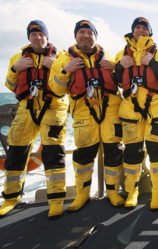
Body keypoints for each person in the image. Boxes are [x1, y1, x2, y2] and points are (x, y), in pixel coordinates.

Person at [0, 20, 68, 219]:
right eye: (33, 34)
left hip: (53, 108)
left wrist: (57, 68)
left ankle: (56, 201)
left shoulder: (61, 57)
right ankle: (10, 198)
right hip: (25, 109)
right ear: (29, 37)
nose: (38, 38)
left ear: (47, 36)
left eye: (41, 34)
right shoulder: (16, 58)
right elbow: (10, 85)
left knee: (54, 154)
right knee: (16, 153)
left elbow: (70, 84)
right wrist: (15, 68)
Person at [49, 20, 123, 212]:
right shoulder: (64, 60)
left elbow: (123, 82)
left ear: (95, 37)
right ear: (76, 36)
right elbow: (56, 89)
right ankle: (83, 194)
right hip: (83, 112)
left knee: (113, 152)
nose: (86, 36)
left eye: (90, 33)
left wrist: (115, 68)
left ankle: (113, 192)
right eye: (81, 32)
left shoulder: (109, 56)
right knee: (83, 155)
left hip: (111, 111)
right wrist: (66, 71)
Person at [113, 17, 158, 210]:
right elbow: (114, 82)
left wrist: (153, 63)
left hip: (155, 108)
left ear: (150, 32)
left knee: (157, 151)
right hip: (130, 110)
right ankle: (132, 192)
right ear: (133, 31)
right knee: (132, 152)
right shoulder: (121, 54)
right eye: (137, 27)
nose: (140, 30)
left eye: (144, 28)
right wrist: (120, 66)